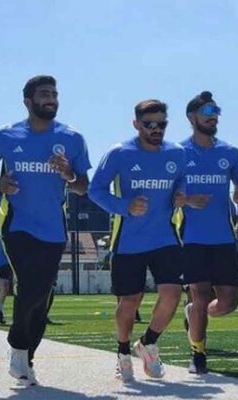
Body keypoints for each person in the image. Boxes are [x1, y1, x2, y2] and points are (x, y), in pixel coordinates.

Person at [0, 75, 91, 386]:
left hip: (53, 228)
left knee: (43, 294)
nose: (51, 98)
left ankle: (27, 357)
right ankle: (17, 343)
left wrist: (68, 173)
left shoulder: (72, 138)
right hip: (16, 223)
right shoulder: (6, 135)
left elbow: (82, 186)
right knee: (31, 285)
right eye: (44, 94)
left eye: (54, 93)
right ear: (28, 101)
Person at [89, 99, 186, 382]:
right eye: (149, 124)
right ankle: (122, 353)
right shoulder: (119, 153)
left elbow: (182, 181)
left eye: (161, 124)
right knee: (130, 301)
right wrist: (125, 206)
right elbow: (96, 190)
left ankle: (148, 343)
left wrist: (181, 194)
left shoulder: (177, 153)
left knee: (172, 295)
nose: (156, 129)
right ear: (136, 124)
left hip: (165, 238)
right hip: (128, 241)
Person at [176, 91, 238, 374]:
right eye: (208, 112)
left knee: (229, 302)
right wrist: (187, 200)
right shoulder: (177, 153)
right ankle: (198, 355)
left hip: (224, 238)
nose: (213, 117)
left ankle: (193, 312)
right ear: (192, 117)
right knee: (200, 295)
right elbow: (167, 194)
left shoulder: (230, 153)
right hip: (191, 238)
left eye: (216, 112)